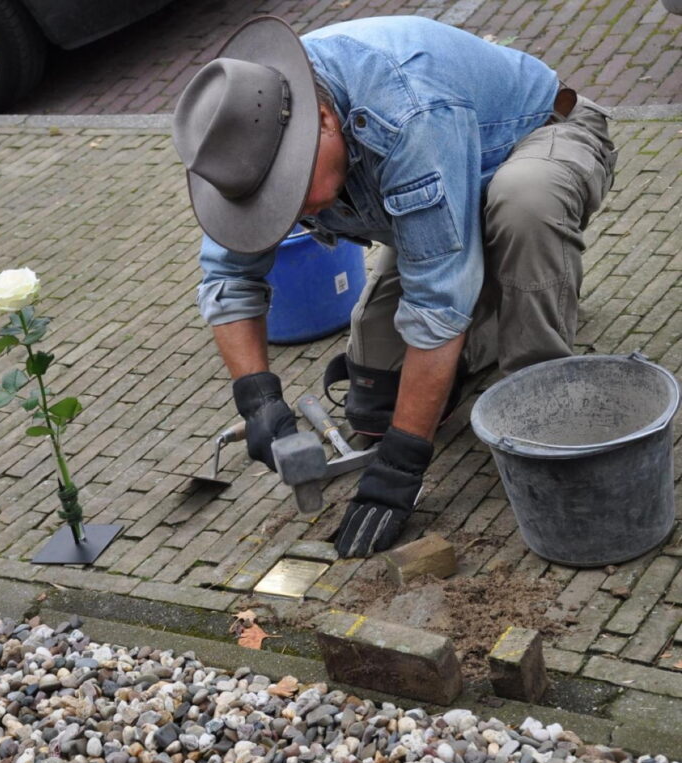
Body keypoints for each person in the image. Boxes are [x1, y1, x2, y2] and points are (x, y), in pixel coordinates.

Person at [172, 14, 617, 558]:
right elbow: (227, 274)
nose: (288, 213)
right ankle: (488, 304)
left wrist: (403, 466)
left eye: (290, 190)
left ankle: (542, 394)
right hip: (434, 194)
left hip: (537, 140)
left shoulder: (405, 111)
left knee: (522, 205)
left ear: (324, 121)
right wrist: (257, 398)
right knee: (377, 405)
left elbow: (434, 305)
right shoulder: (240, 127)